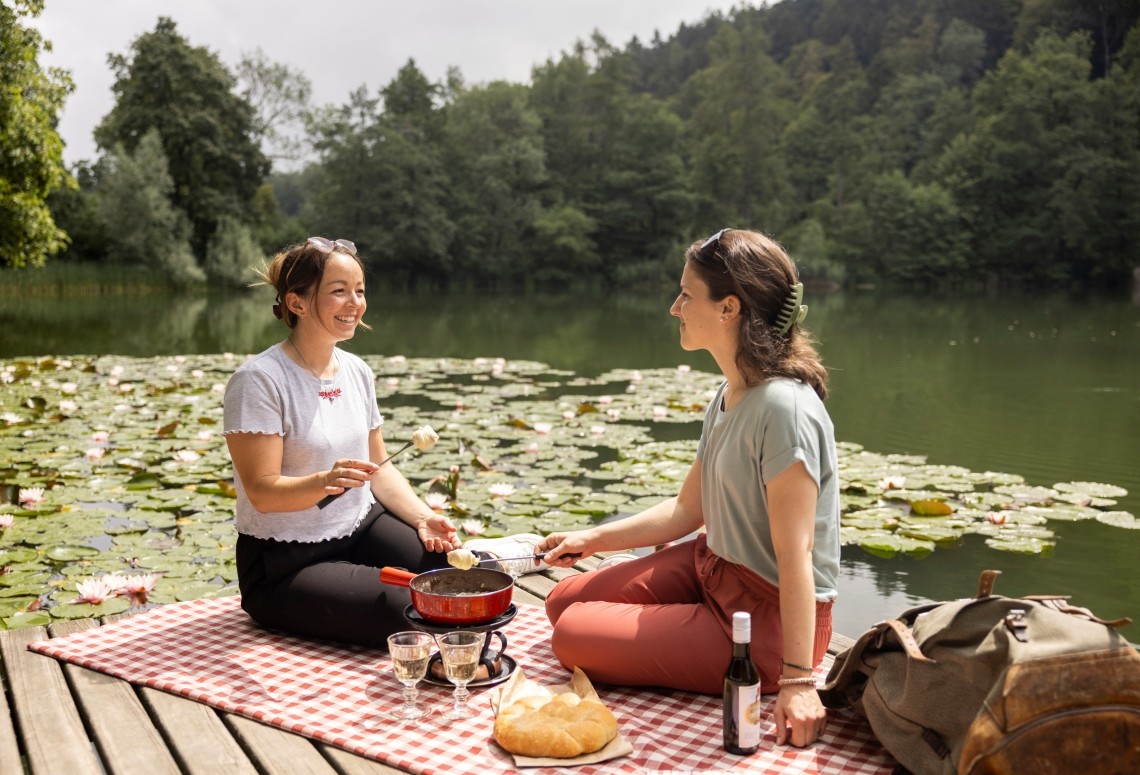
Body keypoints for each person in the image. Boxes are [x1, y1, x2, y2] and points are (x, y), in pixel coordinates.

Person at [536, 227, 840, 748]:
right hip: (712, 567)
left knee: (571, 635)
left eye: (686, 294)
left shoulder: (783, 409)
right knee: (561, 601)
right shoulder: (730, 392)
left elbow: (797, 555)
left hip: (761, 618)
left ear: (728, 309)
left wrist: (797, 680)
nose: (675, 307)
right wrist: (592, 539)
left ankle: (743, 653)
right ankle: (681, 626)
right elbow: (687, 510)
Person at [222, 236, 462, 648]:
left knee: (456, 576)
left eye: (360, 290)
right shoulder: (259, 380)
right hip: (285, 563)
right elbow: (262, 493)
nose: (355, 302)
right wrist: (323, 481)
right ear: (296, 303)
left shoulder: (356, 371)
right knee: (405, 609)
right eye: (339, 291)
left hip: (360, 530)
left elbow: (380, 469)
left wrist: (423, 518)